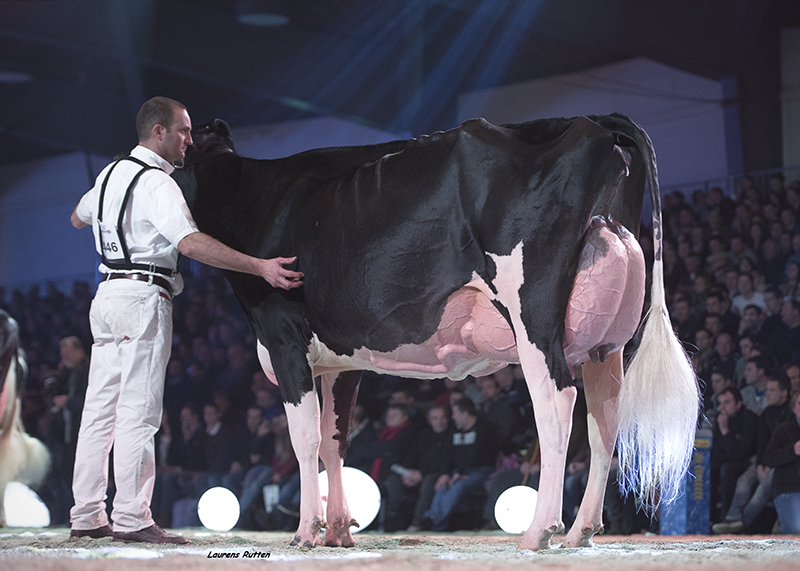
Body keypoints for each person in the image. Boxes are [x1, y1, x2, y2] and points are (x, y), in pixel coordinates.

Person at [68, 97, 303, 544]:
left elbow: (77, 218)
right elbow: (191, 244)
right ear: (158, 131)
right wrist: (259, 266)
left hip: (108, 294)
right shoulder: (158, 183)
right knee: (138, 412)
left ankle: (87, 514)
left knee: (99, 410)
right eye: (183, 130)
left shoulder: (110, 173)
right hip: (143, 295)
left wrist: (116, 222)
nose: (189, 141)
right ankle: (132, 517)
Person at [712, 377, 792, 534]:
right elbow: (762, 444)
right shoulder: (766, 414)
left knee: (762, 490)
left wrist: (766, 463)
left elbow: (743, 452)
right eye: (767, 390)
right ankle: (731, 518)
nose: (767, 394)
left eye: (772, 390)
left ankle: (743, 522)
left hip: (782, 463)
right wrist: (761, 464)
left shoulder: (787, 418)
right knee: (743, 482)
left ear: (784, 393)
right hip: (763, 461)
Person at [422, 397, 496, 531]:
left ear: (465, 413)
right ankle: (435, 521)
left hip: (481, 470)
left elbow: (476, 454)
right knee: (442, 485)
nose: (453, 417)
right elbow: (448, 454)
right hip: (458, 471)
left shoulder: (484, 428)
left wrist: (459, 472)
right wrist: (445, 473)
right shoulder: (454, 431)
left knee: (458, 486)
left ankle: (434, 521)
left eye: (455, 413)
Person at [710, 387, 759, 523]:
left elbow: (741, 454)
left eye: (727, 402)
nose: (722, 408)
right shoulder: (720, 419)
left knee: (727, 470)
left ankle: (726, 518)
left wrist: (726, 431)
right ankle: (709, 518)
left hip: (747, 465)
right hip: (729, 460)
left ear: (738, 404)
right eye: (720, 403)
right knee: (710, 468)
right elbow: (717, 453)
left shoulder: (749, 420)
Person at [764, 390, 800, 534]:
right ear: (794, 408)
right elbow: (769, 457)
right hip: (788, 487)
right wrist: (793, 450)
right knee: (795, 529)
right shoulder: (784, 429)